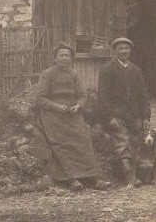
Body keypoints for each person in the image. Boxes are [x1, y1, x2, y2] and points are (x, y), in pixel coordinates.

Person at [30, 42, 110, 191]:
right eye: (61, 55)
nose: (65, 58)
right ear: (55, 58)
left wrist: (78, 105)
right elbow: (40, 98)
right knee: (60, 143)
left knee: (83, 139)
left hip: (72, 114)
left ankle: (92, 177)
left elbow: (82, 95)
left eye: (67, 55)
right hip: (52, 115)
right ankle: (71, 179)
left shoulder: (74, 74)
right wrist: (56, 106)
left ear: (71, 59)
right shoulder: (47, 74)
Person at [97, 37, 152, 188]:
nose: (123, 51)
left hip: (133, 115)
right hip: (115, 115)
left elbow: (143, 95)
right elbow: (103, 96)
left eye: (126, 48)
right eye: (120, 48)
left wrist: (145, 116)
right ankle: (130, 176)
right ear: (114, 51)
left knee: (148, 137)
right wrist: (110, 117)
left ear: (130, 51)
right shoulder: (107, 69)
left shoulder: (135, 70)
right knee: (122, 139)